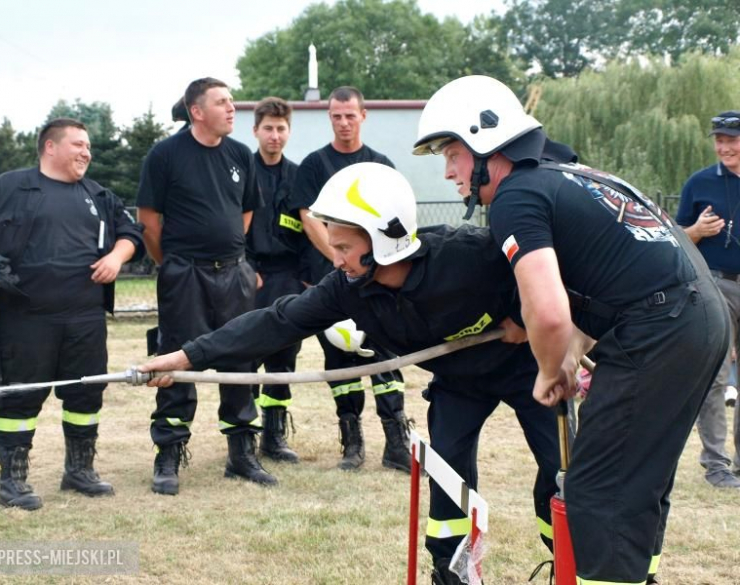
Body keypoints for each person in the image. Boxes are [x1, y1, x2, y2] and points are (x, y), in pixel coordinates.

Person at [139, 163, 561, 585]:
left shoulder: (469, 254)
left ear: (382, 239)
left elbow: (550, 276)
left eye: (342, 246)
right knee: (448, 475)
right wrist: (185, 358)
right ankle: (454, 575)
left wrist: (527, 317)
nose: (334, 258)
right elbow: (275, 322)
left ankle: (570, 558)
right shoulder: (347, 287)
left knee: (561, 470)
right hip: (457, 383)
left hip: (528, 369)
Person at [413, 75, 730, 585]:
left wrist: (547, 369)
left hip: (656, 330)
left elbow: (550, 310)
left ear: (484, 142)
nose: (449, 171)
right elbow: (612, 280)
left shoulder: (515, 196)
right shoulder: (579, 176)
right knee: (639, 480)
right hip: (702, 318)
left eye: (452, 153)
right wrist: (568, 352)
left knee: (598, 491)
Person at [0, 117, 144, 510]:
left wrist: (116, 255)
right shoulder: (7, 189)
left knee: (87, 393)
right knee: (22, 398)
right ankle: (12, 480)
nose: (87, 152)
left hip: (85, 317)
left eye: (89, 146)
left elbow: (133, 233)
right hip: (26, 318)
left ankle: (79, 470)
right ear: (50, 147)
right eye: (78, 144)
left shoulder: (98, 195)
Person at [136, 77, 271, 493]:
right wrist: (175, 266)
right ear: (197, 111)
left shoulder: (240, 155)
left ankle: (241, 453)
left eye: (232, 101)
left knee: (241, 360)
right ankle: (169, 455)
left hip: (234, 274)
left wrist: (232, 259)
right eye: (222, 103)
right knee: (178, 362)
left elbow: (245, 213)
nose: (232, 109)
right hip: (184, 276)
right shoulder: (165, 155)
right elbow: (149, 222)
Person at [291, 86, 411, 472]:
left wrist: (368, 268)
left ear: (363, 116)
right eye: (336, 116)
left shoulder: (380, 165)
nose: (343, 123)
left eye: (350, 115)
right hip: (331, 286)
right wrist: (342, 261)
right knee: (341, 365)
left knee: (385, 359)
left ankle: (396, 443)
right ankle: (352, 444)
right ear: (329, 117)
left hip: (377, 284)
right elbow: (309, 218)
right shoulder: (313, 165)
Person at [676, 110, 740, 488]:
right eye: (719, 139)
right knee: (715, 379)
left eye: (731, 140)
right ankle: (716, 466)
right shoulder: (698, 183)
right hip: (717, 286)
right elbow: (677, 237)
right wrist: (697, 230)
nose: (724, 147)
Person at [246, 97, 307, 463]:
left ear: (288, 131)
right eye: (268, 128)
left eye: (281, 128)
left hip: (288, 278)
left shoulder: (299, 176)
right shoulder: (242, 172)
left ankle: (274, 435)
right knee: (247, 356)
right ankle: (245, 436)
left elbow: (312, 230)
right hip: (251, 277)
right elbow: (233, 228)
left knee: (284, 359)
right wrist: (244, 267)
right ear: (256, 131)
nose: (274, 135)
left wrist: (305, 278)